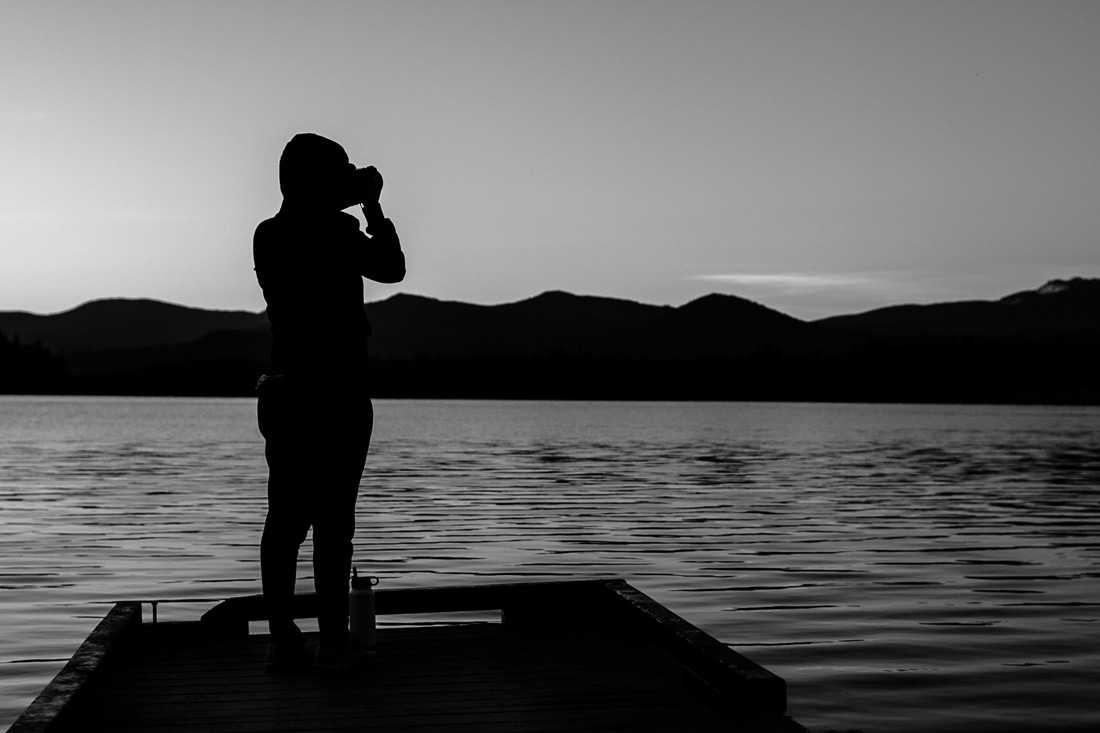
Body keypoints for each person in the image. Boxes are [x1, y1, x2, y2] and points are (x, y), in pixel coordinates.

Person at [253, 132, 405, 670]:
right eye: (336, 171)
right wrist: (369, 203)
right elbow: (391, 265)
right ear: (315, 181)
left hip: (290, 393)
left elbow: (387, 268)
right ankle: (332, 642)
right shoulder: (331, 231)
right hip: (334, 394)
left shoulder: (268, 236)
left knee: (288, 521)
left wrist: (356, 198)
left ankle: (283, 640)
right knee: (331, 521)